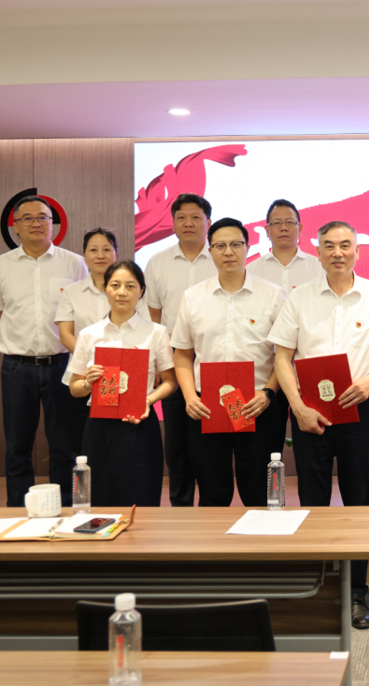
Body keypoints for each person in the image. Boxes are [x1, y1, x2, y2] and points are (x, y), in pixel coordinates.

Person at [269, 220, 369, 630]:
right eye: (329, 246)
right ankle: (318, 587)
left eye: (345, 245)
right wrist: (297, 407)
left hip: (359, 410)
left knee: (358, 501)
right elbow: (282, 356)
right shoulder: (300, 296)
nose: (337, 252)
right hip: (310, 415)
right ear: (318, 251)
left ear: (357, 250)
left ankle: (356, 592)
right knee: (313, 501)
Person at [171, 218, 289, 507]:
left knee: (261, 493)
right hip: (208, 407)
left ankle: (264, 537)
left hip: (257, 404)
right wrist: (190, 397)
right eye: (220, 246)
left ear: (247, 247)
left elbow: (284, 354)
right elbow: (182, 354)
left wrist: (268, 393)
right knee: (212, 491)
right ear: (209, 250)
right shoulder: (193, 297)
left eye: (235, 244)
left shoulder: (272, 294)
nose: (228, 252)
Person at [0, 196, 88, 507]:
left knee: (64, 446)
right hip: (17, 367)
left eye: (43, 217)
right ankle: (18, 510)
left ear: (52, 223)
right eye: (27, 218)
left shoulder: (73, 263)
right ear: (15, 226)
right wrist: (22, 338)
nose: (36, 223)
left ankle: (65, 507)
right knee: (18, 447)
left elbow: (85, 310)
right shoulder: (1, 265)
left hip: (63, 365)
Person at [65, 261, 177, 507]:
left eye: (130, 286)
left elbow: (170, 381)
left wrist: (147, 400)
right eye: (115, 285)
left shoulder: (156, 332)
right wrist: (88, 383)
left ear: (141, 291)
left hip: (139, 423)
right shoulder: (89, 334)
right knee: (100, 494)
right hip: (99, 426)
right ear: (105, 289)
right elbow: (74, 388)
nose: (122, 292)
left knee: (141, 492)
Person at [144, 193, 216, 507]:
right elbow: (154, 316)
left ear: (208, 222)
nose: (188, 223)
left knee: (211, 439)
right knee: (176, 440)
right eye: (181, 217)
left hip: (214, 359)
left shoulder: (220, 257)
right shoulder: (157, 262)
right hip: (174, 358)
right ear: (172, 222)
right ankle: (181, 506)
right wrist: (158, 362)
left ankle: (213, 505)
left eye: (196, 217)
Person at [56, 228, 146, 455]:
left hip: (125, 379)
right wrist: (93, 363)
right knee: (82, 448)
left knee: (123, 446)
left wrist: (116, 364)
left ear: (116, 253)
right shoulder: (71, 292)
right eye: (93, 250)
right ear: (84, 255)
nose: (100, 255)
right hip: (82, 379)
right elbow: (65, 333)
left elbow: (144, 330)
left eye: (107, 249)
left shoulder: (131, 291)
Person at [248, 199, 325, 295]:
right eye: (277, 223)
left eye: (289, 222)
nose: (283, 228)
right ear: (267, 231)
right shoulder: (251, 271)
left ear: (300, 229)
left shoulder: (319, 269)